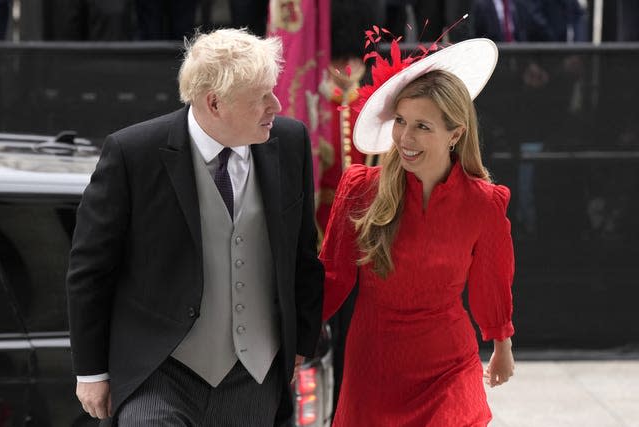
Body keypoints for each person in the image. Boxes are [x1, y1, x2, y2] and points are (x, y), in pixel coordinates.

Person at [66, 28, 324, 424]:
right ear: (215, 102)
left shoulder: (289, 143)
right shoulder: (133, 153)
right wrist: (91, 371)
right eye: (261, 97)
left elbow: (304, 253)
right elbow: (90, 270)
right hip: (159, 371)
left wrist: (300, 346)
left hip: (254, 375)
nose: (276, 104)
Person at [320, 36, 515, 426]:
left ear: (455, 134)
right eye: (400, 122)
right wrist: (298, 341)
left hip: (449, 363)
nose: (405, 139)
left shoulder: (484, 202)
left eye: (422, 126)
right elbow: (332, 276)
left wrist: (501, 343)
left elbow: (491, 280)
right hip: (373, 362)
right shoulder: (361, 188)